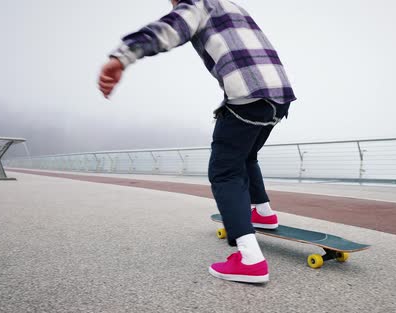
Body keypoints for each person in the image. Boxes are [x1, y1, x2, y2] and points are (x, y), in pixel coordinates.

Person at [98, 0, 296, 283]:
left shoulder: (199, 4)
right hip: (280, 97)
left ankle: (250, 260)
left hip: (248, 96)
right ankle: (263, 212)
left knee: (224, 171)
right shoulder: (232, 6)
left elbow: (169, 28)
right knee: (247, 155)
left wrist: (121, 57)